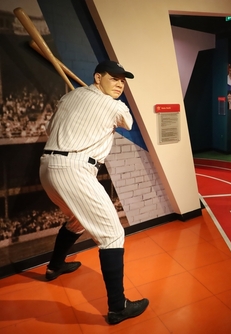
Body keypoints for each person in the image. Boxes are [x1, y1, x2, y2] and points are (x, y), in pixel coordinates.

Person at [39, 60, 149, 325]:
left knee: (76, 221)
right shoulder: (115, 106)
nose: (120, 84)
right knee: (112, 234)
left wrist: (85, 99)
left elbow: (49, 129)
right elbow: (128, 122)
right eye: (114, 79)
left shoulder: (70, 97)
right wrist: (102, 103)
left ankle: (55, 266)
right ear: (97, 77)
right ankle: (118, 307)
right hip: (74, 169)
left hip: (47, 169)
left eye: (123, 80)